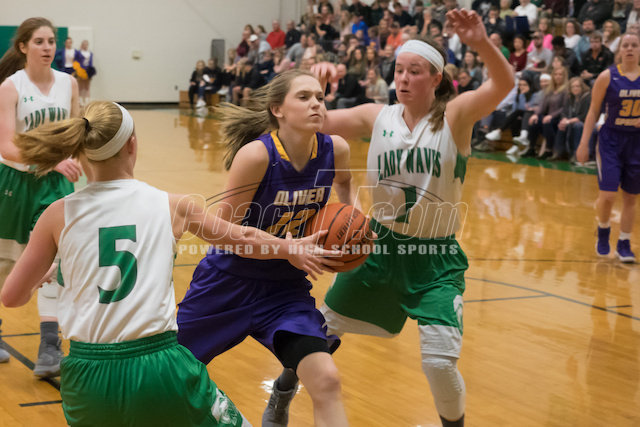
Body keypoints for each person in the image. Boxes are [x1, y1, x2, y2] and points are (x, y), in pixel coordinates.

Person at [0, 100, 338, 426]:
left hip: (84, 376)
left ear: (79, 151)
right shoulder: (171, 205)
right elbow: (243, 237)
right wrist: (288, 247)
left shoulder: (57, 213)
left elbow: (11, 297)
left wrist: (56, 272)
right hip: (156, 366)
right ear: (132, 145)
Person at [266, 9, 515, 427]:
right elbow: (311, 123)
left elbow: (504, 85)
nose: (403, 78)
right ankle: (283, 390)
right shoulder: (375, 116)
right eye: (399, 70)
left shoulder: (455, 117)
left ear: (435, 78)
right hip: (377, 247)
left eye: (414, 71)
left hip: (434, 257)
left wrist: (481, 43)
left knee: (439, 364)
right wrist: (317, 85)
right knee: (318, 334)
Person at [176, 69, 355, 427]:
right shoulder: (257, 156)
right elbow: (223, 234)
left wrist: (354, 225)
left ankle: (281, 395)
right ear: (277, 109)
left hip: (283, 290)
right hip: (226, 285)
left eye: (320, 97)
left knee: (327, 380)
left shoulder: (336, 149)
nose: (316, 104)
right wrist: (285, 248)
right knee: (168, 372)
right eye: (304, 97)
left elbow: (347, 184)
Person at [0, 17, 82, 375]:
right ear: (23, 47)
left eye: (51, 41)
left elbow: (77, 134)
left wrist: (80, 162)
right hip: (15, 181)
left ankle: (50, 346)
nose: (47, 47)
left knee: (54, 261)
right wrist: (48, 160)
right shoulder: (10, 87)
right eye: (39, 41)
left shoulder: (68, 83)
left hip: (55, 184)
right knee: (5, 262)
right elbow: (6, 146)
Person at [577, 33, 640, 263]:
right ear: (620, 50)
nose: (630, 48)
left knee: (631, 197)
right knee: (608, 195)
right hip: (611, 140)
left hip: (636, 142)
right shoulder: (607, 76)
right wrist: (583, 143)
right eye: (626, 45)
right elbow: (593, 110)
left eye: (634, 45)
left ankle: (624, 243)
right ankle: (603, 230)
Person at [75, 40, 96, 109]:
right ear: (82, 45)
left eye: (86, 44)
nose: (85, 46)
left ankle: (87, 101)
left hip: (88, 70)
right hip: (81, 70)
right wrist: (78, 70)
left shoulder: (90, 53)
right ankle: (80, 101)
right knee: (81, 86)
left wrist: (90, 71)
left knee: (87, 86)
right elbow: (77, 61)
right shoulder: (79, 52)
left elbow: (91, 62)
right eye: (84, 44)